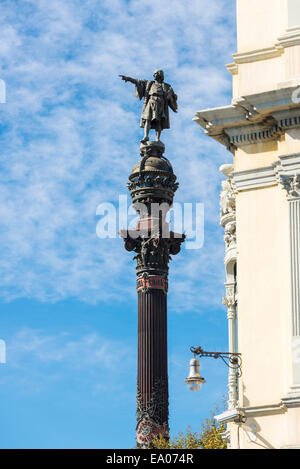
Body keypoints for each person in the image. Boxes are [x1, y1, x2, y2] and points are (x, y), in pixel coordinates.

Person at [120, 69, 178, 143]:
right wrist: (128, 78)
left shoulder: (166, 86)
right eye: (154, 73)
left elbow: (172, 97)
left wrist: (172, 96)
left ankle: (157, 139)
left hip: (160, 103)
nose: (154, 75)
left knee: (158, 122)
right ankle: (146, 136)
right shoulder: (149, 83)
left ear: (160, 75)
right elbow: (138, 81)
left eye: (156, 73)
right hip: (151, 101)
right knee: (147, 119)